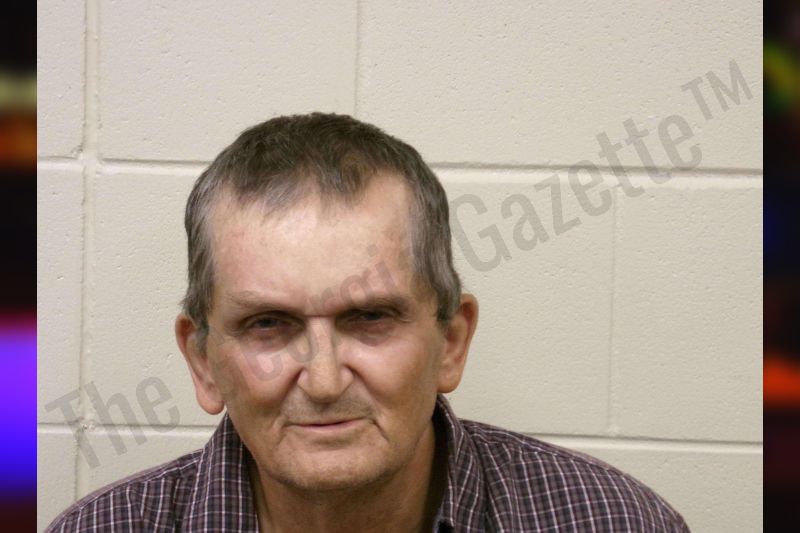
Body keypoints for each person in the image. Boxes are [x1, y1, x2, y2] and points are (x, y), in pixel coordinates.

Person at [47, 113, 689, 532]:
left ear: (451, 342)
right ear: (203, 361)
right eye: (268, 324)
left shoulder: (615, 521)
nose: (324, 381)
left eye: (371, 317)